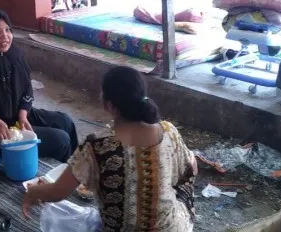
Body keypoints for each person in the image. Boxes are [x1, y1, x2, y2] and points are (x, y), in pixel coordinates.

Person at [22, 66, 197, 232]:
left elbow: (56, 193)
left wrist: (33, 191)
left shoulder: (97, 145)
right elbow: (190, 169)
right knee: (185, 175)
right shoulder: (168, 131)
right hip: (174, 228)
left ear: (110, 105)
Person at [0, 10, 78, 163]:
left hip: (17, 115)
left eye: (7, 30)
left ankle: (74, 168)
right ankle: (57, 173)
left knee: (65, 121)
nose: (4, 36)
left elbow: (26, 90)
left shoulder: (15, 56)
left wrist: (23, 115)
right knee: (61, 140)